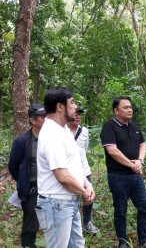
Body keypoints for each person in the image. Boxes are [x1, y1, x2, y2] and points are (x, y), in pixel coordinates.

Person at [35, 87, 95, 247]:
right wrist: (84, 192)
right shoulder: (51, 134)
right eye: (72, 102)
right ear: (60, 107)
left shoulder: (64, 130)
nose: (75, 107)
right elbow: (62, 176)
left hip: (68, 201)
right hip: (56, 204)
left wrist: (87, 184)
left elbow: (73, 165)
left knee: (77, 245)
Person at [100, 96, 146, 248]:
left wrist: (140, 161)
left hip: (135, 177)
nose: (130, 109)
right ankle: (123, 242)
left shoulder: (134, 125)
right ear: (116, 110)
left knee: (145, 206)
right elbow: (112, 151)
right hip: (118, 177)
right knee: (121, 210)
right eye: (125, 107)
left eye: (130, 107)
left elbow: (143, 144)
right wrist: (131, 164)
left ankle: (143, 240)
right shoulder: (109, 127)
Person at [8, 103, 46, 248]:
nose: (46, 119)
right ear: (33, 120)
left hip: (50, 188)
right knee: (31, 224)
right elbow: (13, 166)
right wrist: (24, 181)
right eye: (43, 117)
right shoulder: (22, 141)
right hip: (32, 190)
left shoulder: (52, 139)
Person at [67, 107, 99, 235]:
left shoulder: (84, 131)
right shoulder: (63, 132)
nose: (78, 116)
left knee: (89, 196)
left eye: (79, 114)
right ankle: (71, 223)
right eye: (75, 114)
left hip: (84, 170)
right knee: (71, 196)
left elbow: (84, 150)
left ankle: (87, 222)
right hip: (68, 171)